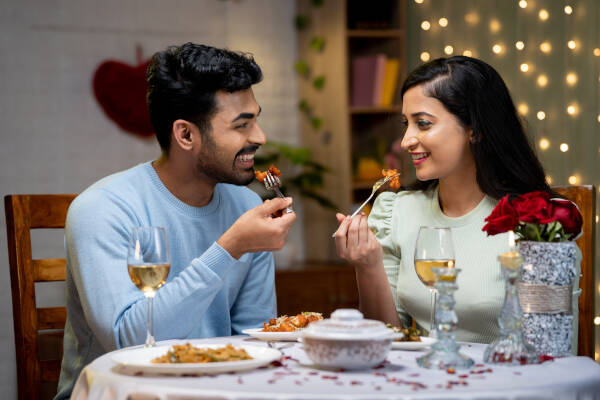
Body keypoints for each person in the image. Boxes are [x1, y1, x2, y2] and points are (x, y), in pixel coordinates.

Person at [56, 43, 296, 399]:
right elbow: (130, 343)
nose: (259, 137)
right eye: (242, 125)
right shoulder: (102, 209)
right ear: (185, 135)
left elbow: (255, 339)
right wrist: (230, 247)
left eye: (256, 119)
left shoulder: (247, 206)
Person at [333, 56, 580, 344]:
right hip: (424, 382)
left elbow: (551, 349)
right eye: (406, 123)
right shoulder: (395, 211)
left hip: (507, 384)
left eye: (423, 124)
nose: (406, 140)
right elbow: (388, 341)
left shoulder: (540, 220)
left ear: (475, 129)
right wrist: (368, 265)